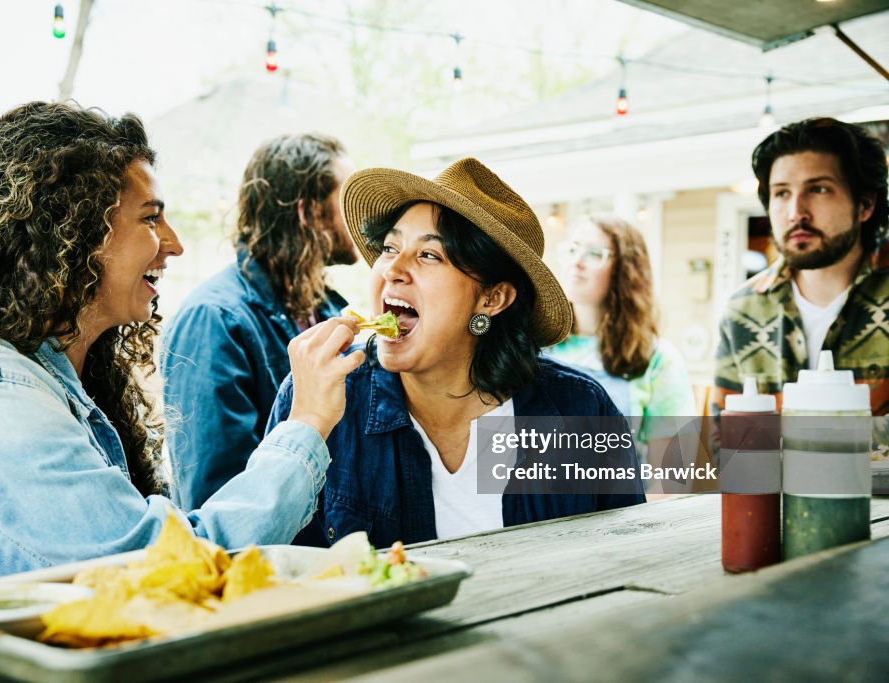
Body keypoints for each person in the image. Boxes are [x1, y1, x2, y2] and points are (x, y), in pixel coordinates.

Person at [0, 102, 364, 625]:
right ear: (70, 232)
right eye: (150, 218)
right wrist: (306, 424)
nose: (174, 243)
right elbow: (161, 576)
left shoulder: (58, 370)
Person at [267, 158, 645, 548]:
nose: (392, 269)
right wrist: (305, 426)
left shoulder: (578, 409)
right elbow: (272, 571)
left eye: (429, 255)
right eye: (389, 247)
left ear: (492, 298)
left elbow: (626, 555)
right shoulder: (316, 397)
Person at [162, 134, 357, 510]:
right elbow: (214, 497)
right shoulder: (213, 319)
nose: (362, 214)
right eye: (346, 198)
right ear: (309, 212)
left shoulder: (329, 312)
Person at [712, 117, 889, 416]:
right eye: (781, 193)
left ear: (865, 204)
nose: (796, 212)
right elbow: (723, 440)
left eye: (818, 189)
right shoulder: (744, 309)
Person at [544, 216, 695, 463]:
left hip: (620, 502)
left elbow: (671, 477)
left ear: (626, 270)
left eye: (594, 254)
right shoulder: (537, 347)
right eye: (572, 249)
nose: (576, 262)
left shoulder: (657, 359)